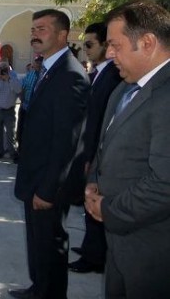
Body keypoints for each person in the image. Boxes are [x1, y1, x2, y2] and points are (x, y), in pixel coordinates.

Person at [85, 0, 170, 298]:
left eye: (115, 45)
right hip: (120, 247)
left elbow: (165, 183)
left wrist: (108, 209)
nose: (108, 53)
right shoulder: (123, 88)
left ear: (147, 42)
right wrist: (94, 181)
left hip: (154, 254)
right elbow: (105, 146)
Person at [11, 9, 89, 299]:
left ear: (62, 34)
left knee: (51, 242)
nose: (34, 34)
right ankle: (38, 289)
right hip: (36, 176)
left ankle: (50, 293)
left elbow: (67, 143)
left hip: (48, 183)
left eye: (42, 29)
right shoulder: (48, 69)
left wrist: (47, 189)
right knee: (38, 242)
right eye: (33, 29)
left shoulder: (70, 75)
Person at [66, 22, 121, 274]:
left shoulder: (112, 76)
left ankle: (94, 256)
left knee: (95, 204)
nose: (84, 49)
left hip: (99, 155)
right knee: (90, 206)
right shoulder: (101, 73)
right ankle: (91, 247)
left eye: (89, 44)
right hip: (91, 152)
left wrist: (91, 157)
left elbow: (102, 120)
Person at [0, 60, 22, 160]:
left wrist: (9, 79)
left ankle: (12, 153)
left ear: (9, 69)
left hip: (9, 111)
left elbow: (19, 90)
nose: (3, 70)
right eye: (1, 68)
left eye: (5, 68)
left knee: (10, 133)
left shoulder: (14, 79)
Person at [16, 57, 42, 148]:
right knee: (21, 129)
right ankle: (20, 150)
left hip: (37, 110)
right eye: (36, 63)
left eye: (39, 63)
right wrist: (22, 100)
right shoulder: (30, 75)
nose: (36, 65)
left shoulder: (45, 77)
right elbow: (23, 88)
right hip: (25, 107)